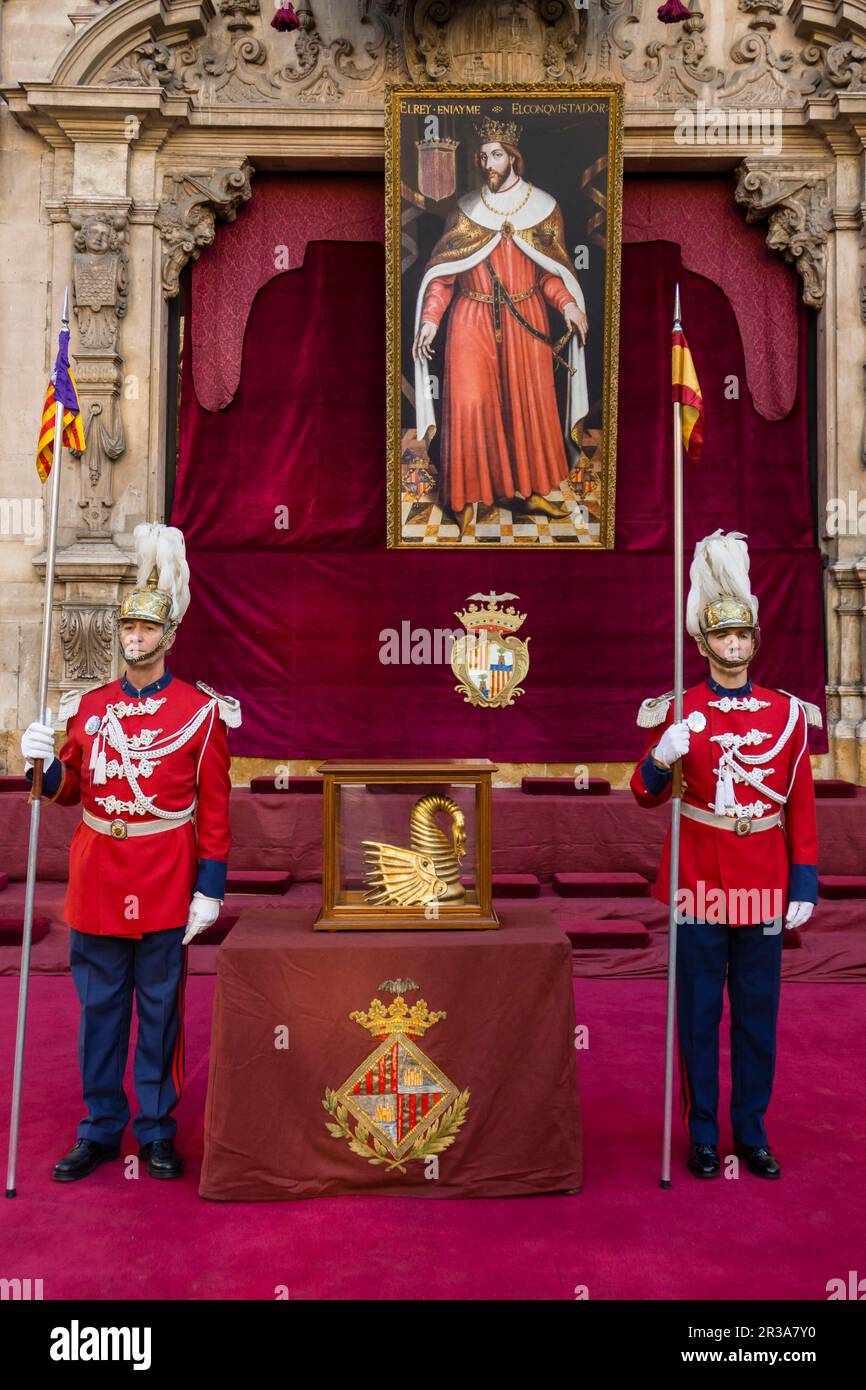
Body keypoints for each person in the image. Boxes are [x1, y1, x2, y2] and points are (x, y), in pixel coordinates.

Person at [20, 523, 240, 1181]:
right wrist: (34, 761)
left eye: (146, 631)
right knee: (100, 1015)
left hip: (167, 877)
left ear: (168, 638)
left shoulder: (201, 714)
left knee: (160, 1014)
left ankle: (156, 1131)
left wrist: (211, 887)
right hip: (98, 879)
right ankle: (98, 1130)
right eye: (127, 630)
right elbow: (64, 791)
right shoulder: (88, 708)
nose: (134, 639)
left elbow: (218, 813)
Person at [630, 530, 819, 1181]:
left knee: (758, 1017)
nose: (733, 648)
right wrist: (662, 755)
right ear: (703, 644)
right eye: (722, 639)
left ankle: (754, 1132)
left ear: (754, 643)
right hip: (699, 883)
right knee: (699, 1015)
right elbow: (643, 794)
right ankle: (704, 1133)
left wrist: (804, 883)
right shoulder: (680, 711)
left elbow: (799, 804)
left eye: (742, 639)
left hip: (764, 883)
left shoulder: (786, 716)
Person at [412, 117, 589, 536]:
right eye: (483, 157)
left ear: (514, 158)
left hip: (525, 318)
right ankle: (466, 497)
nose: (487, 163)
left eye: (494, 155)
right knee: (471, 408)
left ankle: (529, 491)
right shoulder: (464, 211)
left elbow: (550, 274)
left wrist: (567, 305)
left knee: (529, 409)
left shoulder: (542, 208)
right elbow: (443, 275)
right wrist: (430, 320)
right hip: (470, 319)